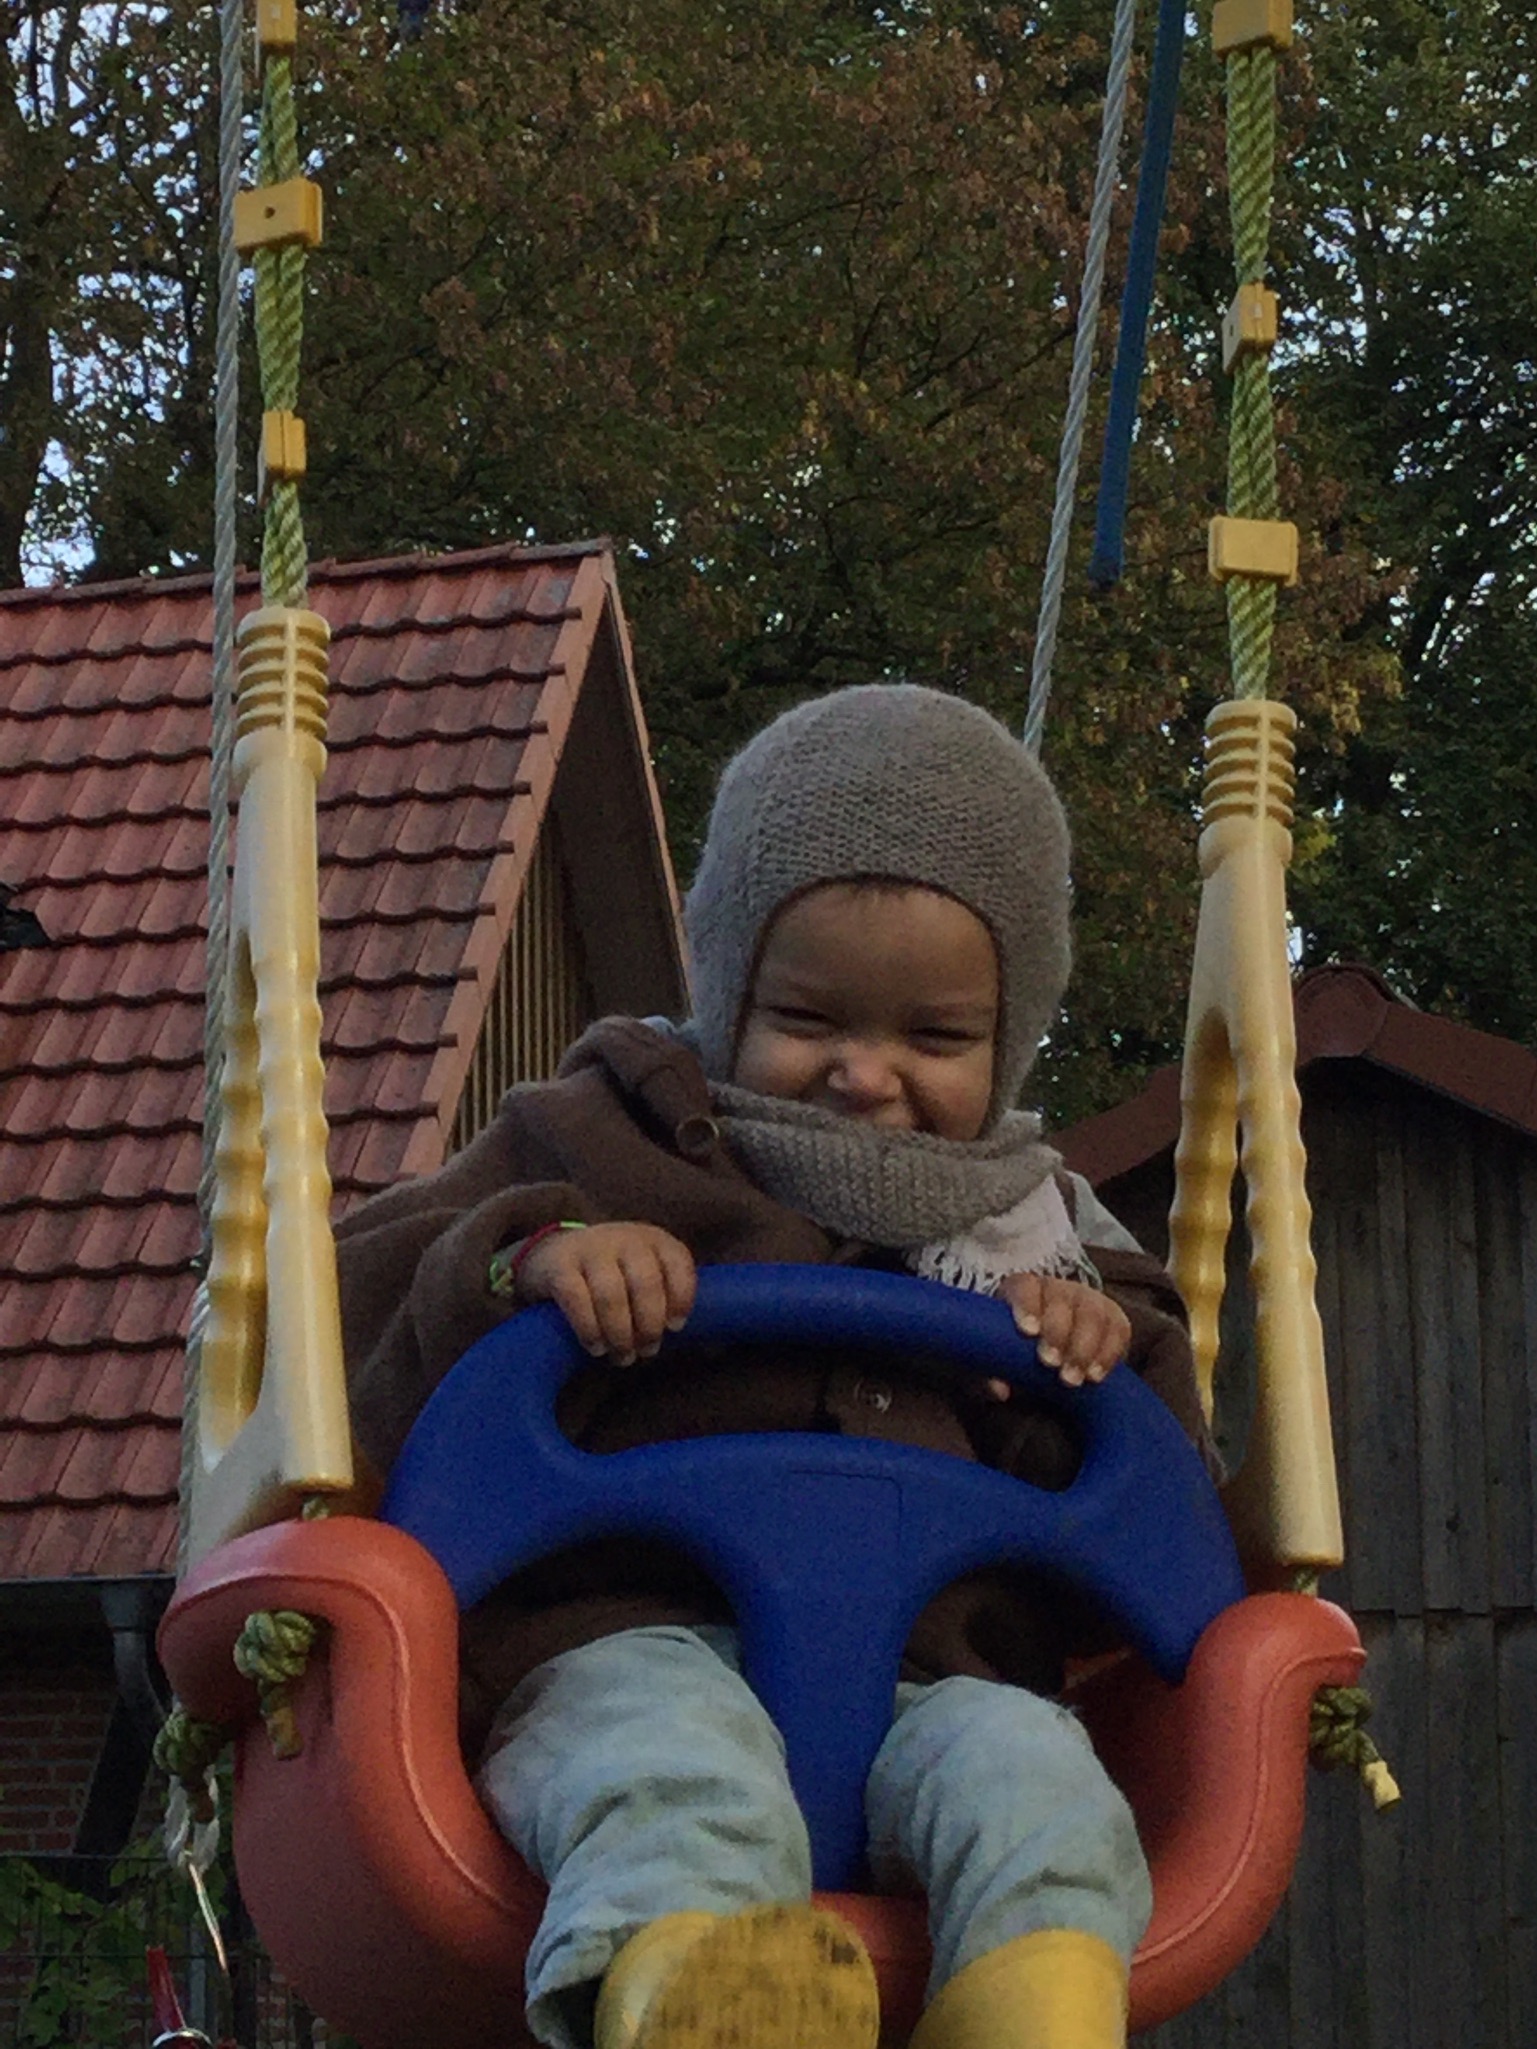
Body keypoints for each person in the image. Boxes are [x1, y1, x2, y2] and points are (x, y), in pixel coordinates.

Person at [336, 684, 1217, 2049]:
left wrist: (1083, 1361)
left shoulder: (1035, 1229)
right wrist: (537, 1257)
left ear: (1009, 1037)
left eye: (933, 1038)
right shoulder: (605, 1135)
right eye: (808, 1017)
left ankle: (1028, 2009)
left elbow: (1156, 1516)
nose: (864, 1073)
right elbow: (363, 1286)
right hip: (617, 1643)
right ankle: (692, 2000)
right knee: (676, 1784)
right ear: (730, 980)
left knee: (1043, 1788)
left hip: (934, 1684)